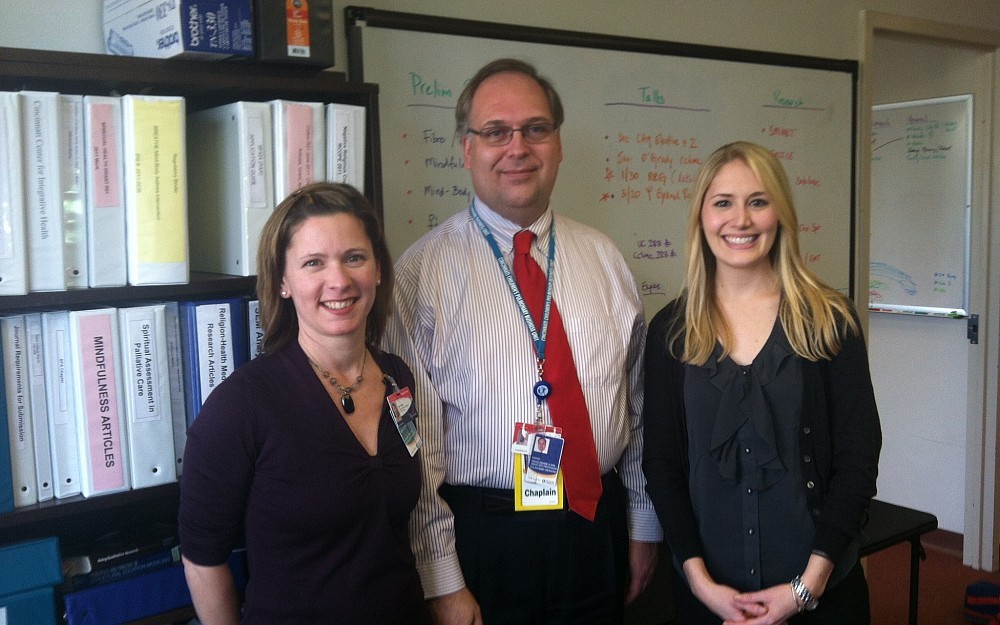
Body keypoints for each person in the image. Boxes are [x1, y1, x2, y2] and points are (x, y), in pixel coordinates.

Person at [383, 58, 661, 625]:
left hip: (593, 525)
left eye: (536, 128)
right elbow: (412, 445)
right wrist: (441, 577)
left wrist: (642, 526)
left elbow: (638, 407)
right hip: (481, 541)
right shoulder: (420, 275)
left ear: (557, 144)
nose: (518, 147)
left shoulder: (605, 260)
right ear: (467, 149)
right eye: (495, 132)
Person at [642, 141, 882, 624]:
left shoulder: (829, 322)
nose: (741, 220)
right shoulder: (669, 332)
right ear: (701, 217)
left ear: (780, 213)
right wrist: (700, 584)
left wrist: (805, 588)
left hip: (821, 598)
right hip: (707, 602)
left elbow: (859, 459)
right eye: (723, 203)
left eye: (758, 201)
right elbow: (662, 465)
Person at [179, 182, 428, 625]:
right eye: (314, 263)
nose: (339, 280)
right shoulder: (242, 406)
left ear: (378, 270)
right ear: (283, 282)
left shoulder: (398, 379)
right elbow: (202, 558)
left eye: (354, 257)